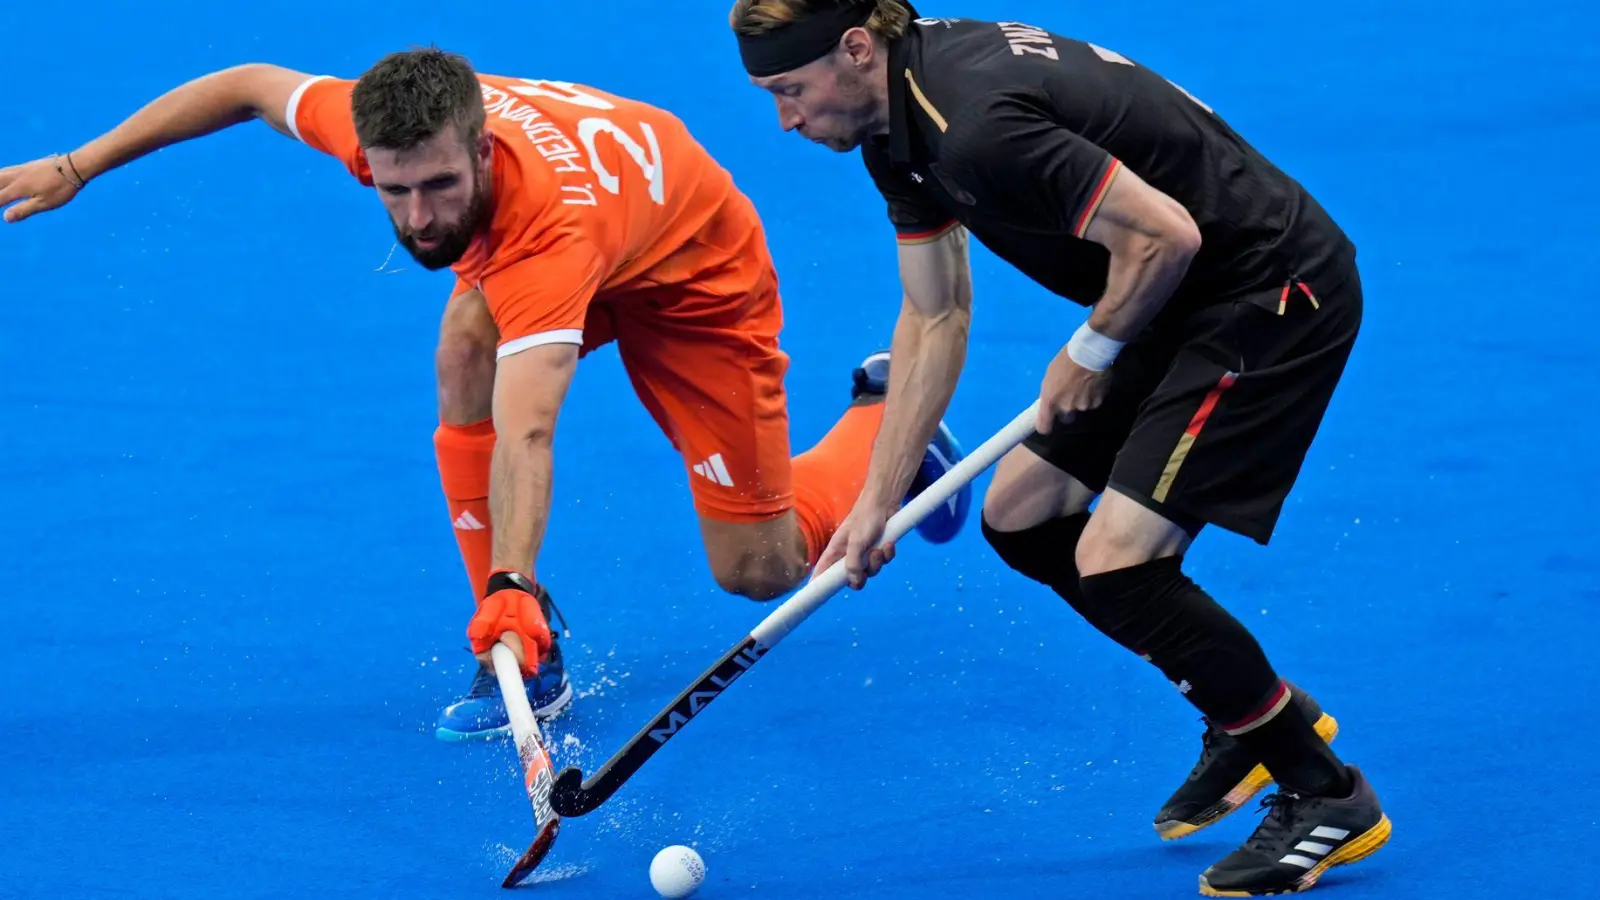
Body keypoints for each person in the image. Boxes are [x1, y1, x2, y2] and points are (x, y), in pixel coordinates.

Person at [0, 48, 972, 742]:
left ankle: (886, 422)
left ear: (481, 153)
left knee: (761, 567)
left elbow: (530, 432)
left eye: (435, 188)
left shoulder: (541, 240)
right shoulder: (380, 131)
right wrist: (79, 164)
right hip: (609, 216)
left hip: (691, 272)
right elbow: (248, 85)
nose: (417, 219)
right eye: (393, 192)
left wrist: (513, 571)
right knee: (464, 338)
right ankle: (523, 652)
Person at [727, 2, 1390, 895]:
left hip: (1264, 294)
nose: (787, 119)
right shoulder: (899, 125)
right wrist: (876, 503)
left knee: (1120, 563)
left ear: (854, 49)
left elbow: (1166, 233)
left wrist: (1093, 349)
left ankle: (1326, 794)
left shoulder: (972, 126)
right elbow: (933, 315)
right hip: (1171, 297)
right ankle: (1245, 713)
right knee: (1022, 514)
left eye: (790, 90)